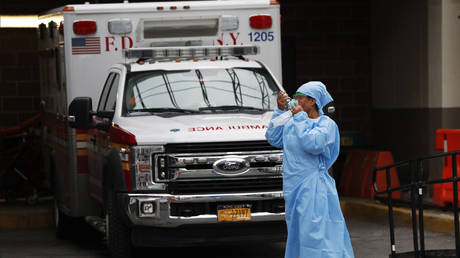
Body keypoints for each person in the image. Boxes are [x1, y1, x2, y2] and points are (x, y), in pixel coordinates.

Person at [265, 81, 354, 258]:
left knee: (315, 234)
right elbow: (273, 138)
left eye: (299, 98)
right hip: (293, 187)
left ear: (312, 101)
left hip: (313, 188)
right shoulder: (292, 121)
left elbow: (313, 144)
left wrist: (299, 118)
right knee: (298, 233)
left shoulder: (325, 124)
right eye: (294, 97)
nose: (295, 101)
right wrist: (280, 110)